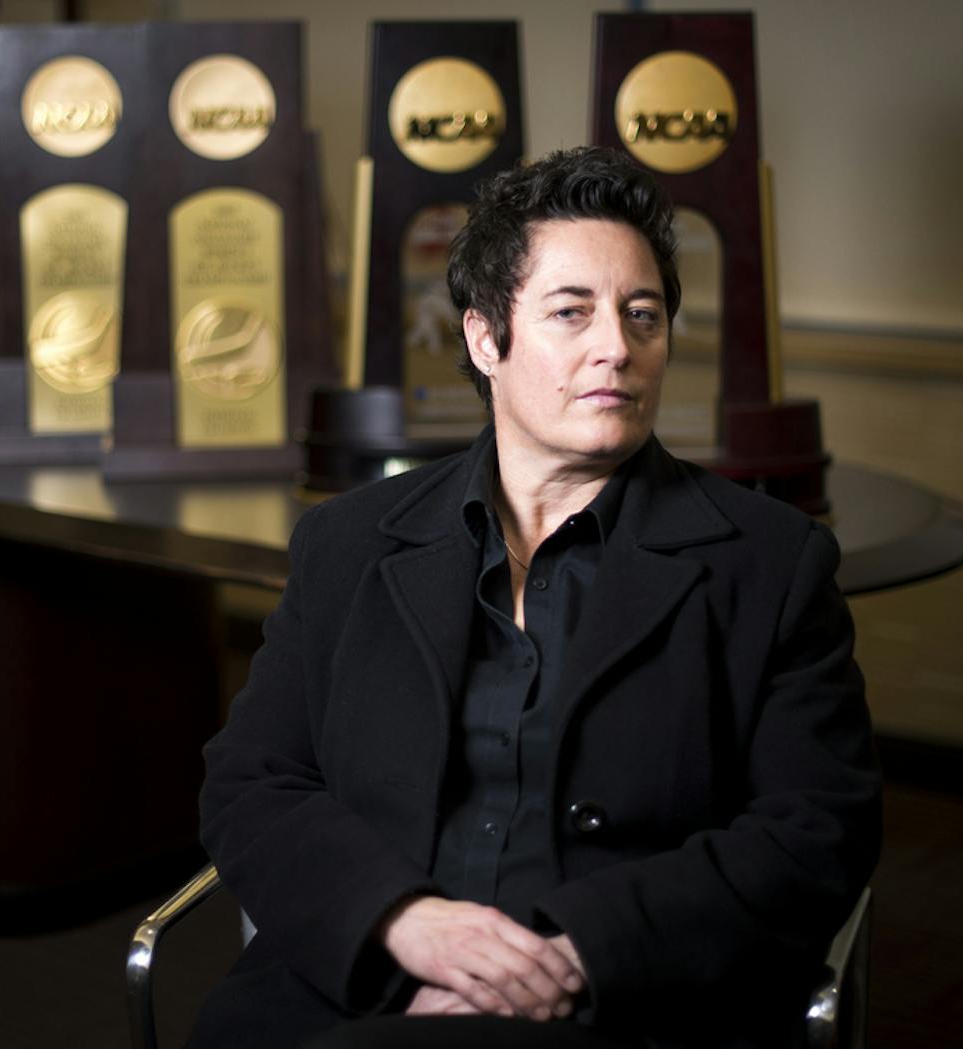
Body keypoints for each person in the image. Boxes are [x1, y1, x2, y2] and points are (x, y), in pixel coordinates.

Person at [189, 146, 881, 1049]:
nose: (617, 348)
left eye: (643, 315)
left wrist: (571, 955)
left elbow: (814, 829)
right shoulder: (349, 542)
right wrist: (402, 923)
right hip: (360, 981)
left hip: (629, 1000)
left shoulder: (770, 562)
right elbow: (253, 782)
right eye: (571, 312)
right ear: (485, 337)